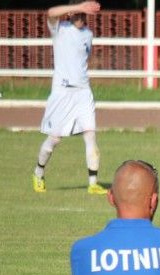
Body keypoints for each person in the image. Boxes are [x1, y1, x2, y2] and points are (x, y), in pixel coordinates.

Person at [32, 2, 106, 195]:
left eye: (84, 15)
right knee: (55, 139)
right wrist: (80, 6)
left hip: (83, 92)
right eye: (78, 14)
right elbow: (50, 12)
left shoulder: (88, 34)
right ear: (71, 13)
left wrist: (81, 8)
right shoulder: (60, 29)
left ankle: (93, 183)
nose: (81, 18)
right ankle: (38, 173)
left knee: (90, 135)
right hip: (62, 92)